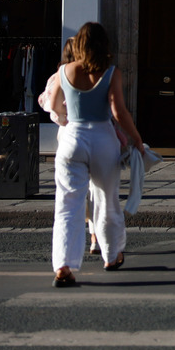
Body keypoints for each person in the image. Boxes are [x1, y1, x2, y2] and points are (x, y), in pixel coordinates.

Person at [49, 23, 144, 288]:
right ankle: (112, 255)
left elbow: (55, 106)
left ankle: (63, 266)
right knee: (106, 199)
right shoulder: (111, 73)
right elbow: (118, 112)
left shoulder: (63, 71)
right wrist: (136, 139)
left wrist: (70, 122)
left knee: (68, 204)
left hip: (72, 139)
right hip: (102, 139)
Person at [39, 37, 103, 257]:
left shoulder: (57, 77)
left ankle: (65, 258)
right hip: (93, 135)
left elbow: (52, 108)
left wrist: (67, 119)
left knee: (69, 197)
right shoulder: (94, 75)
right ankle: (97, 239)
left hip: (68, 136)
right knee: (95, 191)